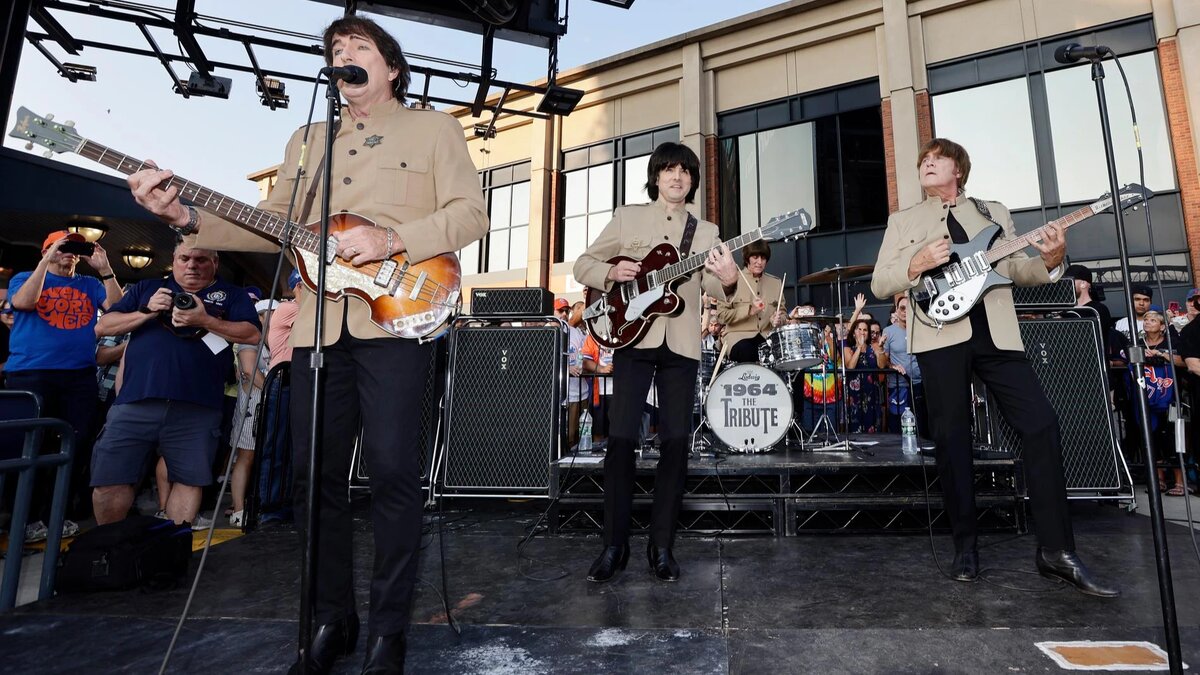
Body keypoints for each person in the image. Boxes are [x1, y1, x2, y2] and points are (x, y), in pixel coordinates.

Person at [124, 16, 488, 673]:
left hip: (394, 320)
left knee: (394, 474)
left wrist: (391, 240)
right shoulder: (307, 139)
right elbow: (271, 228)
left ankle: (388, 630)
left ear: (392, 67)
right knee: (311, 476)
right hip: (319, 328)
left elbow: (471, 212)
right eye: (335, 50)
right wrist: (182, 214)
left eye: (359, 49)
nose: (343, 56)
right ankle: (331, 618)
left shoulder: (434, 129)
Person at [871, 138, 1118, 597]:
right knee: (952, 439)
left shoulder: (993, 213)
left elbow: (1018, 270)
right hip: (940, 334)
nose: (927, 162)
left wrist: (1052, 260)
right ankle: (965, 546)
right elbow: (881, 280)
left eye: (937, 159)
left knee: (1041, 424)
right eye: (923, 159)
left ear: (958, 170)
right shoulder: (904, 220)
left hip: (998, 334)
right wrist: (916, 262)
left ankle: (1056, 552)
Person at [573, 141, 737, 583]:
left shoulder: (706, 232)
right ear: (656, 176)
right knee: (622, 440)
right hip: (632, 339)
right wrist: (611, 273)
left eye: (684, 171)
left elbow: (720, 293)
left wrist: (728, 279)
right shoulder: (629, 216)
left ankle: (662, 546)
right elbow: (583, 264)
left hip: (681, 345)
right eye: (668, 170)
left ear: (693, 180)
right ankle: (614, 545)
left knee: (676, 445)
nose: (677, 177)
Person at [91, 243, 260, 530]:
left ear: (215, 263)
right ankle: (109, 549)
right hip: (136, 400)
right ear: (174, 259)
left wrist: (204, 319)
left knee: (190, 479)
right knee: (110, 479)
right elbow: (103, 326)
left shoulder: (232, 294)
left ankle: (171, 551)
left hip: (198, 407)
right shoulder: (149, 287)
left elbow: (253, 334)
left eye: (201, 259)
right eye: (185, 258)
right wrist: (148, 311)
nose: (192, 265)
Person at [6, 230, 123, 537]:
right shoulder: (25, 277)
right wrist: (47, 259)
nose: (69, 252)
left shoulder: (89, 284)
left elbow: (118, 309)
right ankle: (24, 520)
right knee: (30, 447)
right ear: (47, 250)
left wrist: (105, 268)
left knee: (74, 445)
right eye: (63, 246)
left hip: (78, 376)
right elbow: (24, 303)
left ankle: (56, 515)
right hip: (33, 373)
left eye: (75, 248)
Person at [716, 239, 784, 363]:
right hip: (738, 337)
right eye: (755, 257)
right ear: (747, 258)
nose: (759, 262)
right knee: (748, 351)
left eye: (763, 258)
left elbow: (783, 313)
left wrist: (778, 320)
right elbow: (721, 316)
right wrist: (749, 310)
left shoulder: (776, 283)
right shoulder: (731, 280)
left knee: (791, 360)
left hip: (767, 337)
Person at [881, 294, 926, 436]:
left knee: (922, 424)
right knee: (899, 426)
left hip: (920, 384)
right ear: (896, 311)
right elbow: (883, 363)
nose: (905, 311)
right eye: (902, 308)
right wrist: (892, 366)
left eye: (909, 308)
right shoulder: (888, 331)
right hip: (899, 385)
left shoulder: (921, 328)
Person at [842, 319, 887, 433]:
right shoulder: (848, 349)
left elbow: (881, 365)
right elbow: (850, 366)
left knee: (872, 427)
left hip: (872, 393)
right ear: (854, 333)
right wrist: (859, 348)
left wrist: (881, 348)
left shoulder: (874, 348)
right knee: (855, 428)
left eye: (865, 330)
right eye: (859, 329)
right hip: (854, 396)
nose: (862, 332)